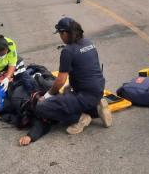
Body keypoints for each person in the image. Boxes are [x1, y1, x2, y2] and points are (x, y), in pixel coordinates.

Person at [19, 17, 112, 146]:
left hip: (84, 95)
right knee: (66, 92)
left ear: (65, 33)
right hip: (98, 89)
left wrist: (47, 96)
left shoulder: (68, 51)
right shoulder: (89, 42)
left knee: (41, 107)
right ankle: (96, 106)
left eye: (60, 34)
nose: (60, 37)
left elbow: (60, 81)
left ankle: (81, 118)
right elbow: (88, 69)